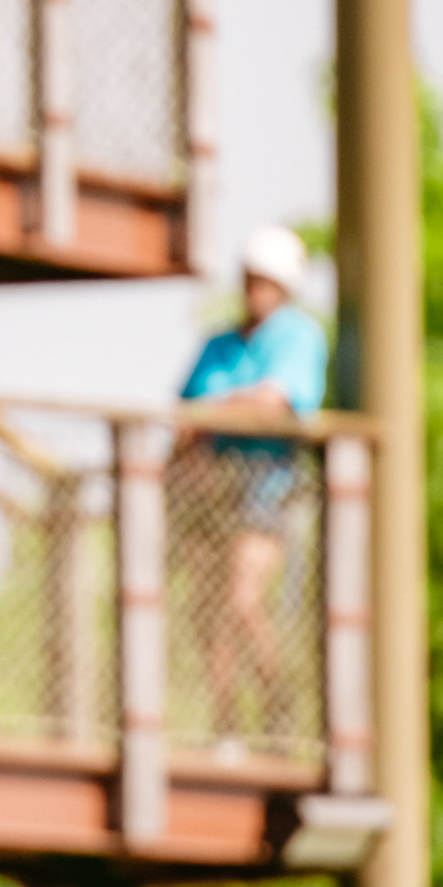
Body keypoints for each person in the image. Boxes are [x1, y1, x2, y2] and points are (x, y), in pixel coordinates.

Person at [177, 225, 328, 737]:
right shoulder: (219, 345)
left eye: (263, 280)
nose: (253, 289)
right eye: (248, 278)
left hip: (267, 489)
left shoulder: (299, 336)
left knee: (243, 601)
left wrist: (214, 412)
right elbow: (183, 417)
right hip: (211, 492)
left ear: (283, 285)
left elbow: (275, 402)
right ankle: (227, 729)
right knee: (211, 614)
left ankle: (277, 703)